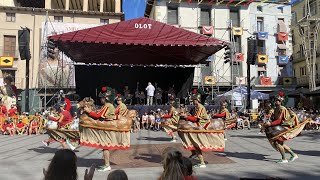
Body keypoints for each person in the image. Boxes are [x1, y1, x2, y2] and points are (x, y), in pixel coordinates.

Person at [83, 89, 116, 171]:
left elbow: (98, 116)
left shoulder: (108, 105)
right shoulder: (106, 105)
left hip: (106, 127)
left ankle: (107, 165)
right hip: (106, 127)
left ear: (106, 98)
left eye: (102, 98)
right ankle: (106, 164)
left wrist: (89, 111)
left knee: (105, 147)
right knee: (105, 147)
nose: (100, 99)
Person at [264, 96, 298, 163]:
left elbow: (279, 120)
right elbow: (274, 119)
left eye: (277, 100)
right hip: (279, 127)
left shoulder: (282, 109)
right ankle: (293, 155)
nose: (276, 102)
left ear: (280, 102)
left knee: (277, 142)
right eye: (275, 100)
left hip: (285, 126)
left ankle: (284, 159)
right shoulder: (275, 109)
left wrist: (270, 124)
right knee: (279, 143)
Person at [181, 94, 210, 168]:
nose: (192, 101)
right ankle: (193, 152)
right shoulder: (196, 107)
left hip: (202, 123)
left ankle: (202, 162)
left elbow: (197, 119)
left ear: (197, 100)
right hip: (197, 122)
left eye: (193, 100)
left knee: (195, 142)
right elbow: (193, 116)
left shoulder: (200, 107)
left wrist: (187, 117)